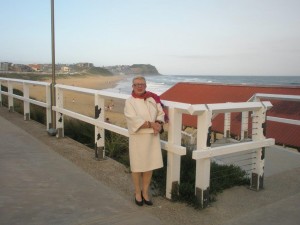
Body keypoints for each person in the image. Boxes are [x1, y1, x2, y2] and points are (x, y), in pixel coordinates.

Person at [124, 75, 165, 206]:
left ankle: (145, 192)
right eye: (136, 84)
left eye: (142, 84)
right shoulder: (129, 101)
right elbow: (133, 119)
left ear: (146, 85)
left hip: (152, 137)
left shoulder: (153, 99)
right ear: (133, 86)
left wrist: (158, 123)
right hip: (138, 138)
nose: (139, 86)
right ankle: (137, 192)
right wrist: (151, 125)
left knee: (149, 166)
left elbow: (161, 112)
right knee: (137, 167)